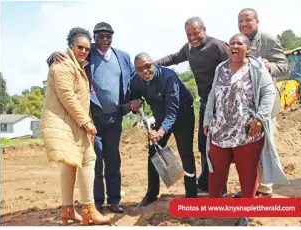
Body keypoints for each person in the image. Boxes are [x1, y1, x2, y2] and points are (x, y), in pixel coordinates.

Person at [48, 22, 135, 213]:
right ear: (94, 37)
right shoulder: (87, 52)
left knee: (113, 159)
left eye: (108, 36)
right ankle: (96, 202)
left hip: (115, 118)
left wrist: (134, 102)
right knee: (95, 160)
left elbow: (133, 80)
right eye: (100, 36)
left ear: (113, 37)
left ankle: (114, 201)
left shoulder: (123, 57)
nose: (104, 40)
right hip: (93, 118)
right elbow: (66, 61)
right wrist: (52, 56)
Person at [203, 33, 288, 226]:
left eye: (239, 43)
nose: (235, 45)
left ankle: (246, 212)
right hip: (220, 130)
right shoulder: (221, 68)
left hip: (247, 132)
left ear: (248, 49)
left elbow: (268, 94)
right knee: (216, 169)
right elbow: (212, 95)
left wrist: (259, 119)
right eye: (232, 43)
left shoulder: (257, 68)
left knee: (247, 172)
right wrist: (208, 119)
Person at [41, 27, 110, 225]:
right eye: (80, 47)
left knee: (71, 163)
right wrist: (86, 122)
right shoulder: (63, 64)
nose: (84, 51)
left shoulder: (73, 63)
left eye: (87, 49)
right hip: (69, 122)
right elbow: (68, 97)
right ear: (71, 46)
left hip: (71, 123)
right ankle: (89, 209)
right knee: (89, 159)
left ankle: (67, 210)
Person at [154, 16, 230, 196]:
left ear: (204, 29)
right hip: (205, 103)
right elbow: (173, 58)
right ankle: (206, 181)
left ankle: (221, 188)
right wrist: (152, 65)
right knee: (203, 146)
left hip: (222, 103)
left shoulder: (218, 46)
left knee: (218, 146)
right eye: (189, 34)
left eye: (196, 33)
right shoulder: (189, 48)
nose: (193, 38)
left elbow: (233, 67)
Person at [234, 8, 290, 198]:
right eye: (240, 21)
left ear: (257, 21)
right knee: (248, 148)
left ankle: (265, 189)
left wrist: (269, 66)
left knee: (264, 146)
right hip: (246, 106)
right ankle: (251, 187)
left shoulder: (268, 39)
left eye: (247, 20)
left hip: (265, 104)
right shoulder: (238, 42)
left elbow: (285, 67)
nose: (243, 24)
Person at [130, 52, 197, 206]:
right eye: (140, 69)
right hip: (160, 115)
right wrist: (135, 105)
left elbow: (172, 112)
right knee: (153, 152)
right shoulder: (135, 81)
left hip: (182, 113)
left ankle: (192, 196)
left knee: (185, 153)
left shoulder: (168, 77)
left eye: (148, 66)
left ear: (153, 64)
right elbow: (134, 99)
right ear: (136, 71)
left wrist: (160, 132)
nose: (145, 71)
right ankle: (152, 194)